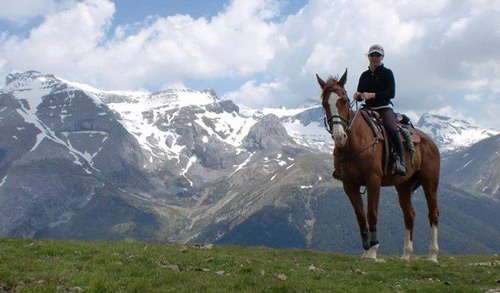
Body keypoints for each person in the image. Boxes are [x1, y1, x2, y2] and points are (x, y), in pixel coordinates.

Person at [353, 44, 406, 176]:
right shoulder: (364, 75)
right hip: (367, 108)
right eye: (372, 55)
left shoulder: (387, 73)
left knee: (392, 128)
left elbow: (391, 93)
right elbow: (360, 93)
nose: (375, 57)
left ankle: (400, 160)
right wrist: (358, 95)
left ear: (382, 57)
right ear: (368, 57)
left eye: (377, 55)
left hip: (384, 107)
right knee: (351, 126)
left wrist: (372, 95)